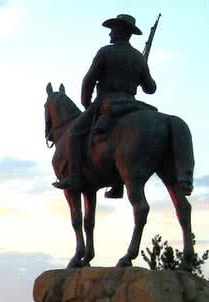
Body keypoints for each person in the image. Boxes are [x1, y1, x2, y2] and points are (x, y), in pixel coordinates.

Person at [53, 14, 156, 196]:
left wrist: (87, 104)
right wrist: (141, 68)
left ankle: (75, 178)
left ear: (120, 31)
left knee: (74, 134)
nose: (110, 34)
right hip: (132, 105)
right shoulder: (137, 58)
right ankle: (118, 185)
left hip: (106, 102)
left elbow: (88, 81)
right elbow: (151, 88)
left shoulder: (105, 52)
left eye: (113, 30)